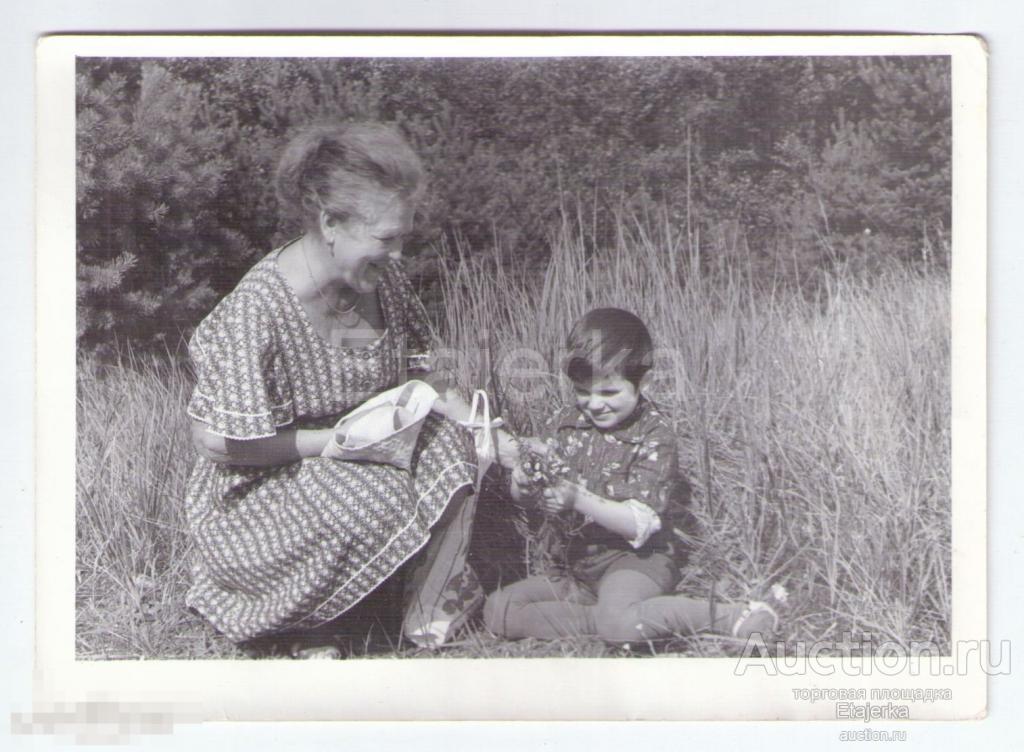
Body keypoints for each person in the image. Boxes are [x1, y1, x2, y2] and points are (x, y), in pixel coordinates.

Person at [185, 121, 504, 655]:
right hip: (262, 494)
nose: (399, 254)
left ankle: (419, 596)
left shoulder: (372, 283)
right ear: (331, 222)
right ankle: (304, 624)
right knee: (370, 499)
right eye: (386, 239)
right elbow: (216, 443)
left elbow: (421, 369)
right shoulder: (258, 311)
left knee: (455, 444)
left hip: (356, 456)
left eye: (403, 237)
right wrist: (331, 442)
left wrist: (478, 426)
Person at [483, 308, 781, 644]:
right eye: (583, 391)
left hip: (636, 561)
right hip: (576, 567)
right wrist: (522, 482)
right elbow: (526, 497)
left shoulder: (655, 434)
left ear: (644, 382)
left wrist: (577, 498)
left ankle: (732, 616)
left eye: (609, 393)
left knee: (619, 619)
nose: (594, 404)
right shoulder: (566, 420)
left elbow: (637, 525)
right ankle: (614, 619)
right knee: (498, 610)